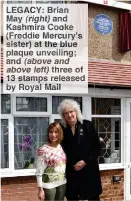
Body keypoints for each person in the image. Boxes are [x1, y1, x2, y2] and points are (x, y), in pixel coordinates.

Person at [58, 99, 102, 201]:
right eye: (66, 113)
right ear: (63, 116)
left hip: (89, 171)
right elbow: (58, 147)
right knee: (72, 197)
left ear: (76, 112)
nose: (69, 115)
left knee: (92, 197)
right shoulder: (62, 129)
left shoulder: (88, 125)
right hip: (72, 172)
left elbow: (97, 147)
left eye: (71, 111)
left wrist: (85, 161)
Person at [36, 122, 66, 201]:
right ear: (48, 134)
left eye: (56, 132)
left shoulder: (61, 147)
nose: (53, 135)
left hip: (62, 184)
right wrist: (40, 189)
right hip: (49, 186)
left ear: (60, 133)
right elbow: (39, 171)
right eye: (51, 132)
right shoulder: (43, 149)